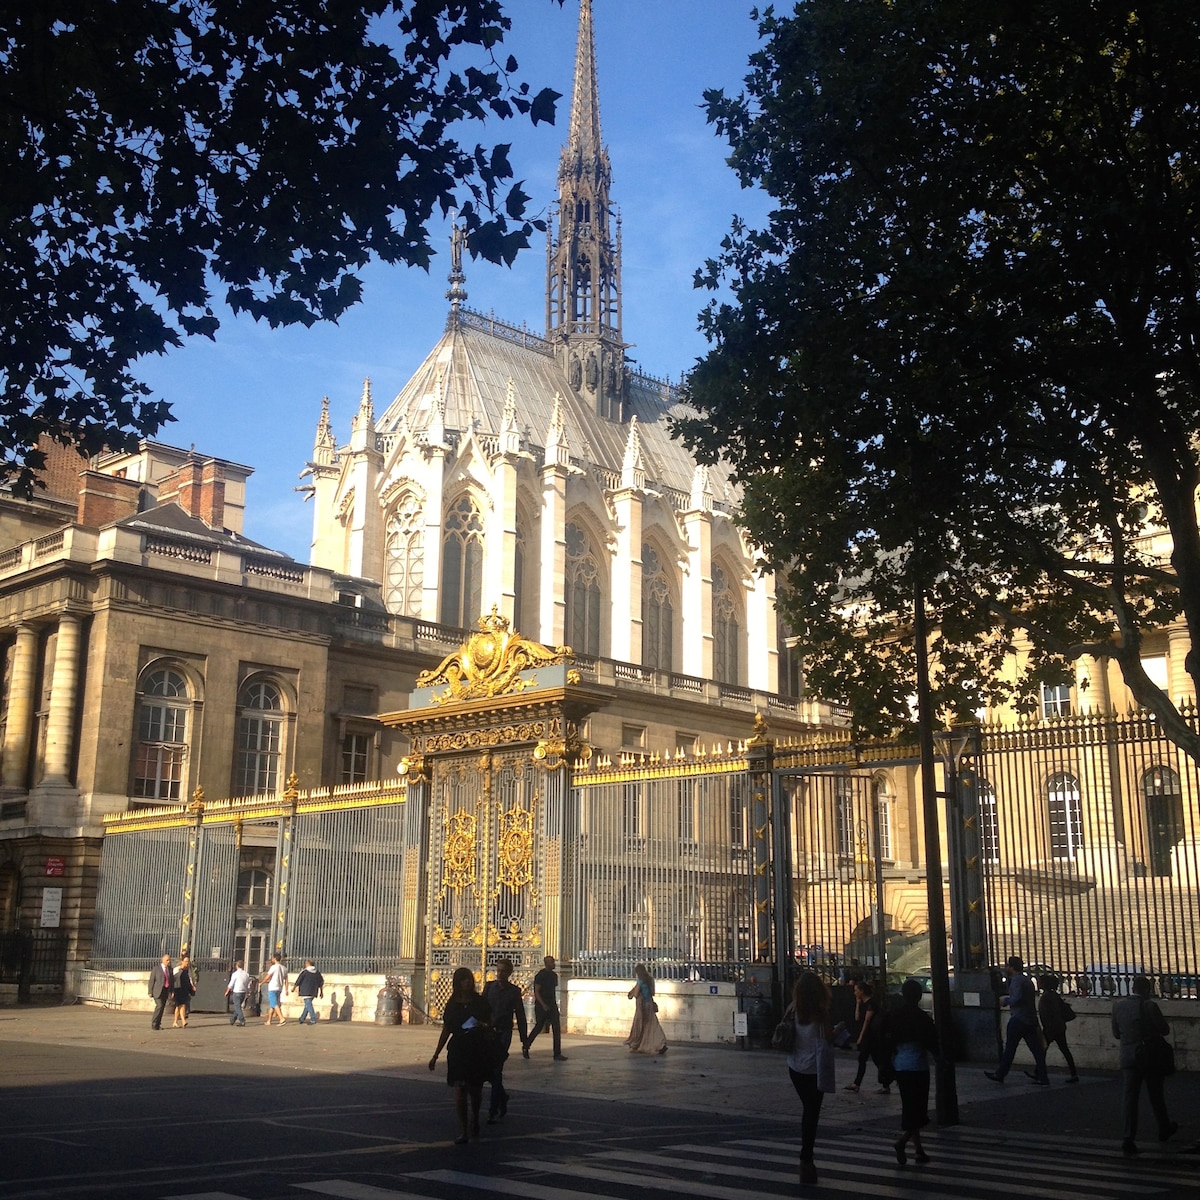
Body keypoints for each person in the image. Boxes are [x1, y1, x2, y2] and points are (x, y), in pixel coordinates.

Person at [1112, 975, 1177, 1156]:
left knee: (1129, 1098)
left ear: (1133, 988)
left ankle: (1128, 1137)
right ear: (1148, 989)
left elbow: (1116, 1033)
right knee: (1156, 1095)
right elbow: (1164, 1029)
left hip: (1128, 1055)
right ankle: (1164, 1127)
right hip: (1149, 1055)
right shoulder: (1149, 1006)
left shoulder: (1118, 1006)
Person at [428, 966, 494, 1144]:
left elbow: (490, 1024)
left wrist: (483, 1025)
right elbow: (447, 1029)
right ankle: (464, 1129)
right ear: (458, 982)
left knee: (475, 1090)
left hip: (476, 1048)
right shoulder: (452, 1004)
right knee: (459, 1091)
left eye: (469, 979)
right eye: (464, 979)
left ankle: (474, 1118)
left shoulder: (480, 1002)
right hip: (458, 1050)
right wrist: (435, 1055)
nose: (467, 982)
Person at [785, 970, 836, 1187]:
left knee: (808, 1110)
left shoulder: (792, 1009)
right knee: (811, 1114)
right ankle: (806, 1160)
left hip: (795, 1067)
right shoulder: (820, 1013)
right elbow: (828, 1038)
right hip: (815, 1070)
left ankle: (807, 1160)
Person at [889, 978, 938, 1166]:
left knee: (909, 1107)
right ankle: (902, 1142)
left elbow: (888, 1040)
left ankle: (918, 1149)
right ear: (918, 996)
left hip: (900, 1065)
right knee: (919, 1110)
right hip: (918, 1065)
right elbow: (932, 1041)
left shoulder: (896, 1015)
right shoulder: (922, 1017)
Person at [985, 956, 1048, 1085]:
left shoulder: (1017, 981)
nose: (1006, 968)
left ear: (1012, 967)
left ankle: (1000, 1073)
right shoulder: (1027, 980)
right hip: (1030, 1019)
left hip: (1019, 1019)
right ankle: (1043, 1076)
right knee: (1037, 1050)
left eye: (1008, 966)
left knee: (1010, 1048)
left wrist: (1005, 1001)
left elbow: (1017, 998)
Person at [481, 957, 528, 1123]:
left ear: (509, 973)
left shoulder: (514, 992)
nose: (500, 973)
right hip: (488, 1033)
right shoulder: (488, 987)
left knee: (496, 1070)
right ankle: (502, 1096)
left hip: (503, 1034)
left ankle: (492, 1111)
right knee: (488, 1071)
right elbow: (480, 1009)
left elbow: (520, 1016)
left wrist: (525, 1041)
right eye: (498, 970)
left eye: (503, 971)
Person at [523, 954, 567, 1061]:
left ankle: (557, 1053)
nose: (554, 964)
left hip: (551, 1004)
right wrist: (543, 1004)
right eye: (552, 962)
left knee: (556, 1028)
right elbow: (537, 991)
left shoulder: (554, 976)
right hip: (541, 1005)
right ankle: (526, 1045)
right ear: (547, 963)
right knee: (539, 1027)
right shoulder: (540, 975)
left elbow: (552, 991)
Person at [844, 977, 883, 1092]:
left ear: (862, 991)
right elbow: (857, 1018)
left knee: (867, 1059)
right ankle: (885, 1082)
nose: (855, 992)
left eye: (856, 990)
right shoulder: (863, 1004)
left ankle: (858, 1083)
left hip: (870, 1036)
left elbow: (866, 1021)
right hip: (867, 1036)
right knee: (871, 1059)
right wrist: (857, 1003)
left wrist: (861, 1037)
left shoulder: (871, 1004)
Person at [1037, 974, 1078, 1083]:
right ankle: (1073, 1073)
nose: (1038, 983)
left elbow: (1048, 1014)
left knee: (1041, 1051)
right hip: (1058, 1027)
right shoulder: (1053, 995)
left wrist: (1047, 1028)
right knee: (1064, 1050)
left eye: (1040, 981)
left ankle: (1039, 1074)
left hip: (1051, 1028)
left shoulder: (1046, 997)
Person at [624, 962, 668, 1055]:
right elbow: (652, 993)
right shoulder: (650, 980)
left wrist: (634, 991)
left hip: (642, 1006)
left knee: (640, 1025)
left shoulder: (640, 981)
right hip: (650, 1004)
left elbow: (635, 994)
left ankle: (636, 1043)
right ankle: (660, 1043)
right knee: (653, 1025)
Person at [292, 959, 325, 1025]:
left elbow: (298, 980)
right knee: (307, 1005)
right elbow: (321, 982)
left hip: (305, 990)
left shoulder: (305, 972)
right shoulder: (317, 972)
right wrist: (321, 992)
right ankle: (302, 1018)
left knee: (309, 1004)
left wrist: (294, 988)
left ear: (307, 964)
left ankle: (313, 1019)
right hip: (314, 990)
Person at [260, 954, 288, 1025]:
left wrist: (261, 983)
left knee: (274, 1004)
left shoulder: (274, 967)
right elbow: (286, 980)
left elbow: (268, 976)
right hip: (279, 988)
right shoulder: (284, 968)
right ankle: (269, 1021)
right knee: (272, 1005)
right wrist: (286, 989)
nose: (271, 959)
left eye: (272, 958)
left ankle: (281, 1018)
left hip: (273, 987)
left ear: (275, 959)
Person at [148, 953, 173, 1030]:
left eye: (169, 960)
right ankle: (154, 1023)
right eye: (167, 960)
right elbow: (152, 980)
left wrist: (172, 991)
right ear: (163, 960)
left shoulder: (170, 969)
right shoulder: (156, 969)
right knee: (159, 1006)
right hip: (157, 991)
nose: (168, 962)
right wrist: (150, 991)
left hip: (165, 991)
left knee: (162, 1008)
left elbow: (171, 981)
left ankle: (158, 1024)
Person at [171, 954, 196, 1028]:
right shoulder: (177, 969)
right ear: (182, 962)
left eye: (188, 961)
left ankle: (175, 1022)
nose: (187, 963)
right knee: (182, 1005)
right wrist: (172, 990)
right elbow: (173, 980)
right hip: (178, 989)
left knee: (179, 1006)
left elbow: (190, 979)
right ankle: (183, 1021)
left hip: (185, 989)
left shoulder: (188, 970)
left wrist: (192, 986)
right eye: (185, 961)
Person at [225, 959, 251, 1026]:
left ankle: (242, 1020)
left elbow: (231, 984)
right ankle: (232, 1019)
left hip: (237, 992)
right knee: (238, 1006)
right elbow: (248, 984)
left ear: (237, 966)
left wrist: (227, 991)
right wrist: (248, 992)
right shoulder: (246, 974)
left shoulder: (235, 974)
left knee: (237, 1007)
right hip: (243, 992)